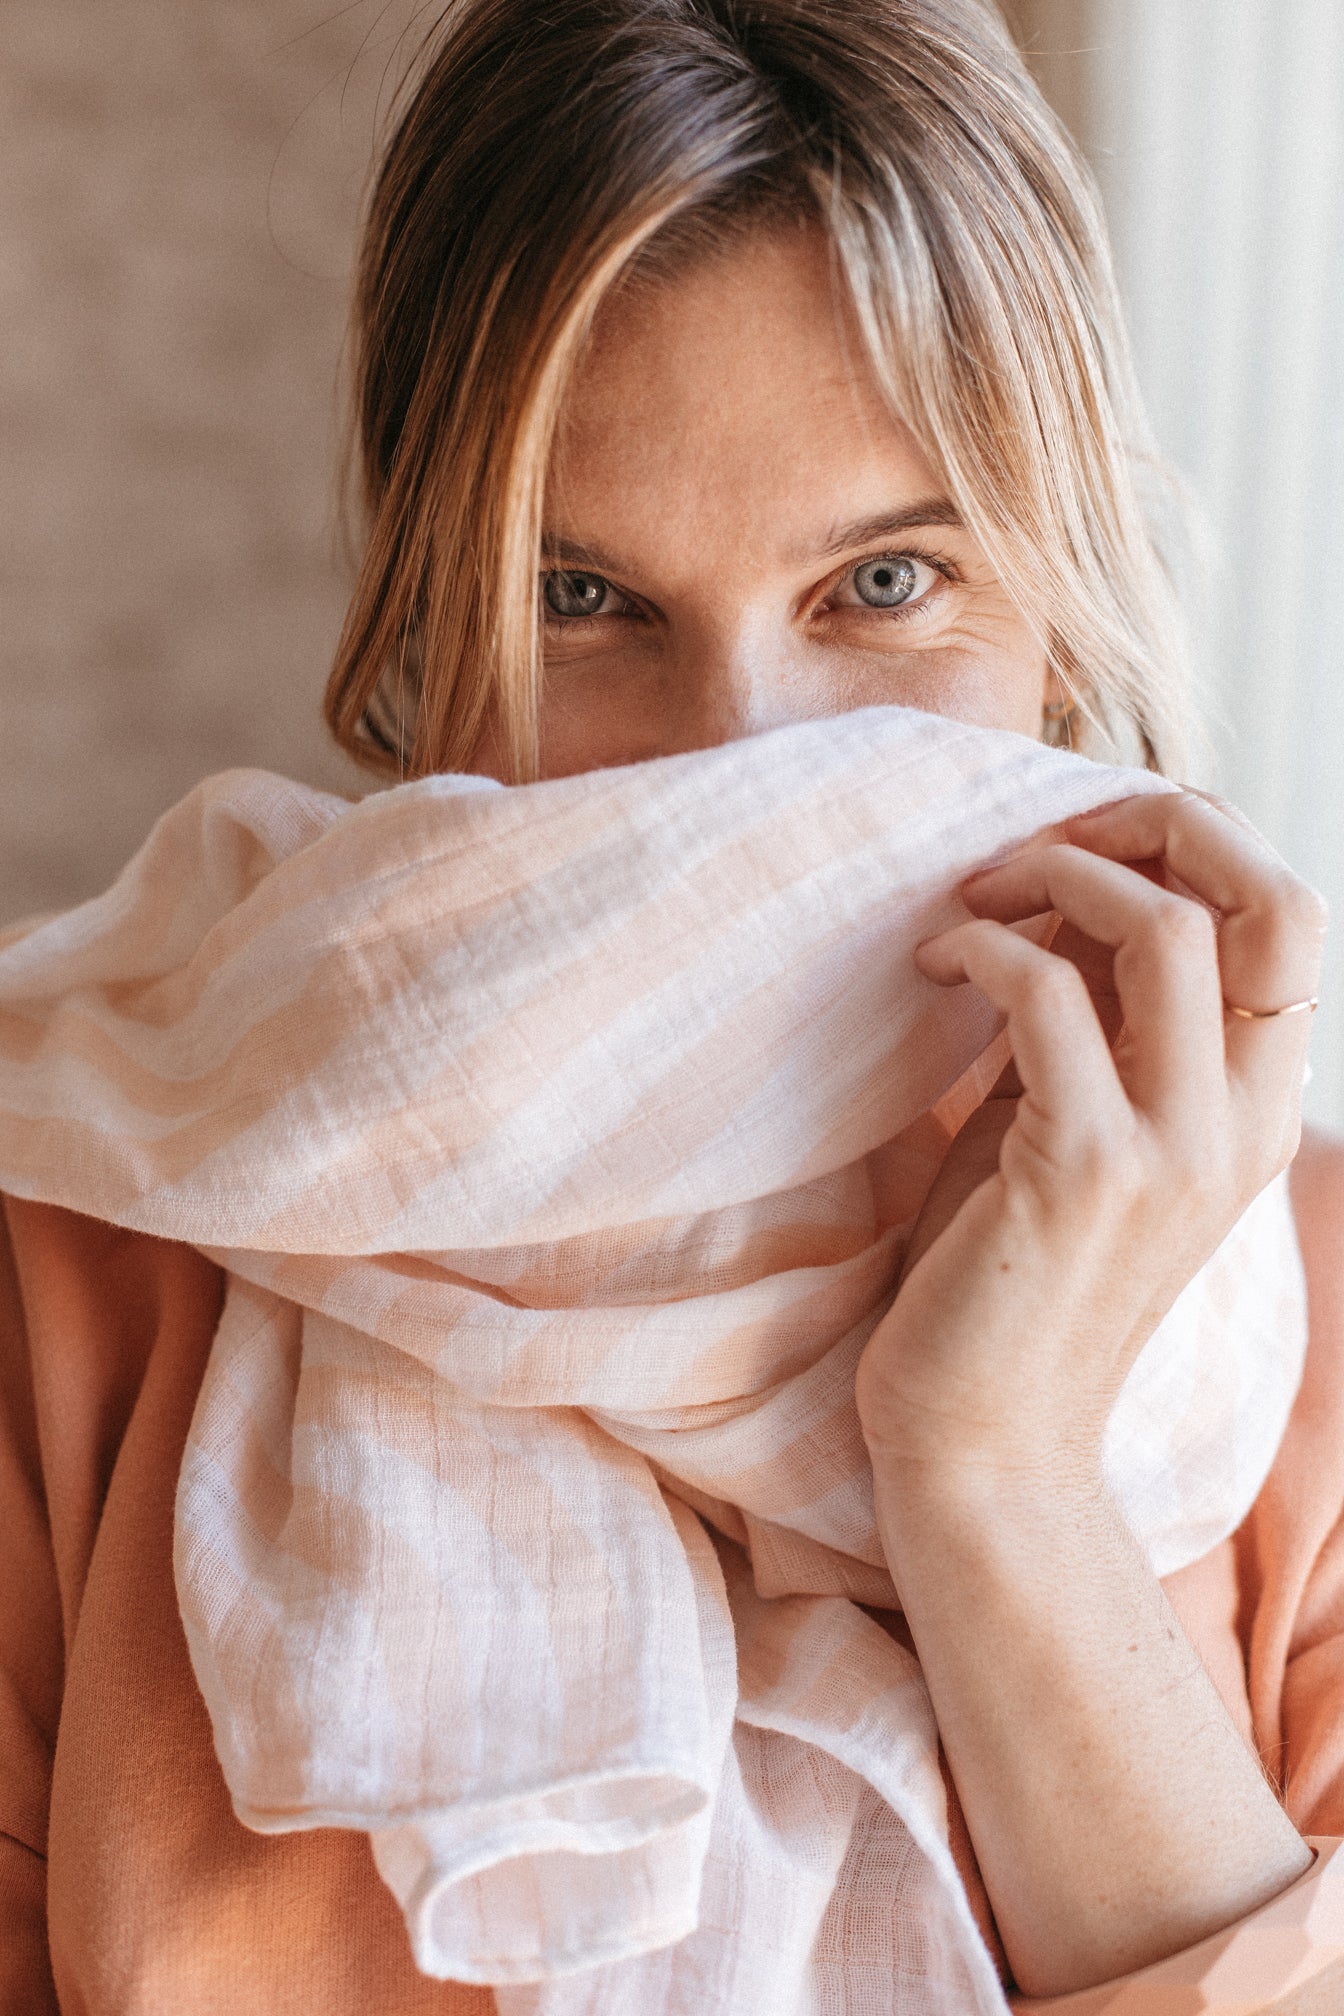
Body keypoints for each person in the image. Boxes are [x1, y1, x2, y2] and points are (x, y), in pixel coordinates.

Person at [1, 1, 1342, 2010]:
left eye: (882, 587)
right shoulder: (78, 1265)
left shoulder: (1301, 1315)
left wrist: (996, 1468)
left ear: (1059, 620)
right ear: (419, 626)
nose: (733, 758)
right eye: (583, 599)